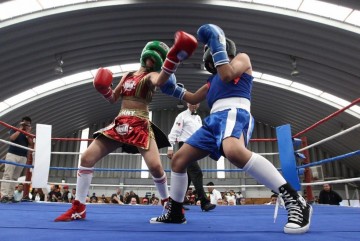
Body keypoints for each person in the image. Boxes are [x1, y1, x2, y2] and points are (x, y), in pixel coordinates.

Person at [150, 24, 312, 234]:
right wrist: (172, 88)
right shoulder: (211, 81)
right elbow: (192, 98)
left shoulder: (242, 59)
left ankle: (296, 201)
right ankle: (175, 212)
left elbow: (227, 74)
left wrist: (216, 41)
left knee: (234, 151)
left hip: (235, 111)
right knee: (179, 160)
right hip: (213, 121)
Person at [54, 31, 198, 221]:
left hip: (140, 122)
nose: (151, 60)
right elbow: (113, 98)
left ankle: (167, 203)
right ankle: (78, 208)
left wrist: (174, 58)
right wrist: (103, 88)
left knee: (155, 166)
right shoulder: (128, 75)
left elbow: (161, 80)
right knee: (87, 157)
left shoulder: (153, 75)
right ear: (145, 53)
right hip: (120, 121)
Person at [167, 102, 215, 211]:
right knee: (197, 172)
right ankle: (204, 202)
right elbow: (174, 132)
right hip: (185, 146)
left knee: (188, 176)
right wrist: (170, 148)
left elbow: (200, 133)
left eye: (196, 104)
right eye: (192, 103)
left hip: (195, 146)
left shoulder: (198, 118)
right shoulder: (182, 116)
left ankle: (176, 203)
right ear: (187, 104)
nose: (194, 106)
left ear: (198, 105)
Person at [0, 116, 34, 203]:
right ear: (21, 123)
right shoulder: (15, 129)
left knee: (15, 177)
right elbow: (12, 138)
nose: (26, 125)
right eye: (24, 123)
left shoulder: (28, 134)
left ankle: (10, 196)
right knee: (8, 175)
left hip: (23, 156)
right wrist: (20, 129)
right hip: (12, 154)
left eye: (27, 124)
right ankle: (4, 195)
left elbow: (31, 144)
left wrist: (27, 133)